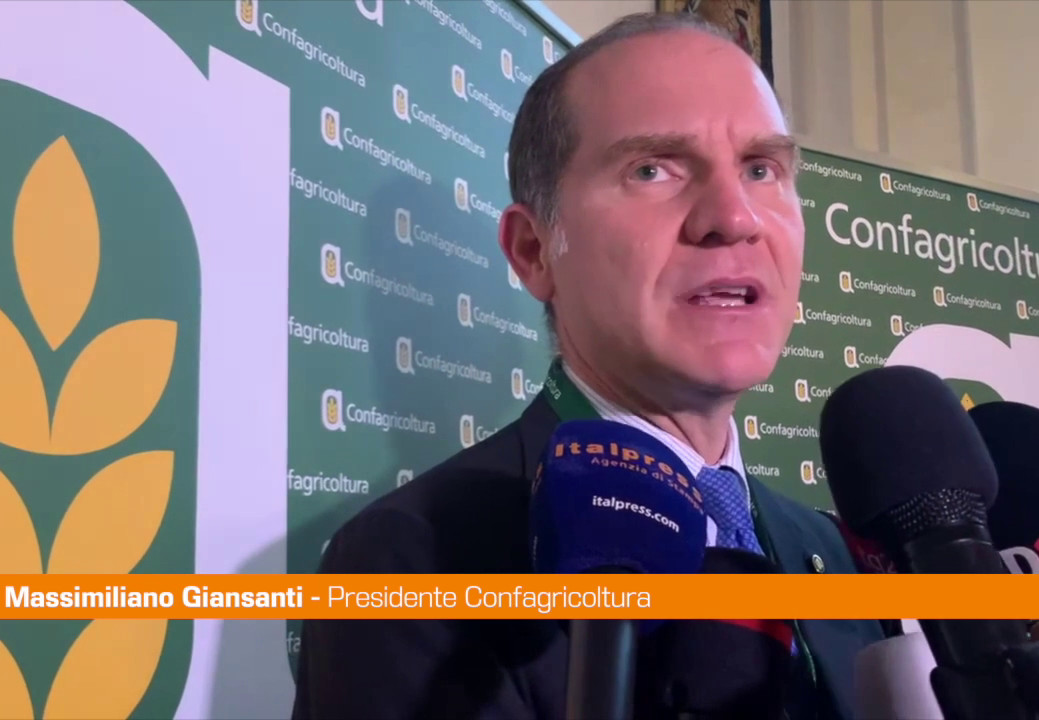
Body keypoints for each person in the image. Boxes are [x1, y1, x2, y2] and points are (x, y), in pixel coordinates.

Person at [292, 11, 885, 720]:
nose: (734, 217)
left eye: (761, 169)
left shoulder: (824, 547)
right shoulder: (411, 567)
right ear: (535, 251)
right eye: (653, 169)